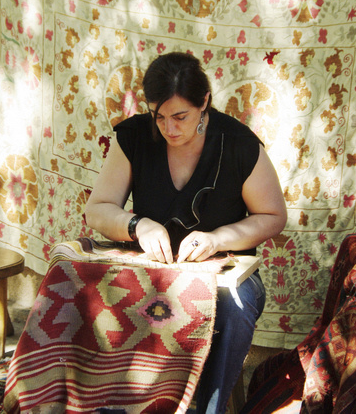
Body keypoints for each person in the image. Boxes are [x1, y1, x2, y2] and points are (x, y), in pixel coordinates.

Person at [85, 52, 287, 413]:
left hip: (223, 273)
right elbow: (97, 209)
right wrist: (137, 225)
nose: (170, 129)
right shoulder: (134, 136)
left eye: (181, 117)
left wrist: (218, 239)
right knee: (87, 288)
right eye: (159, 117)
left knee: (234, 308)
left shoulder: (238, 144)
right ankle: (112, 405)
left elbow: (273, 216)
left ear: (204, 102)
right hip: (151, 270)